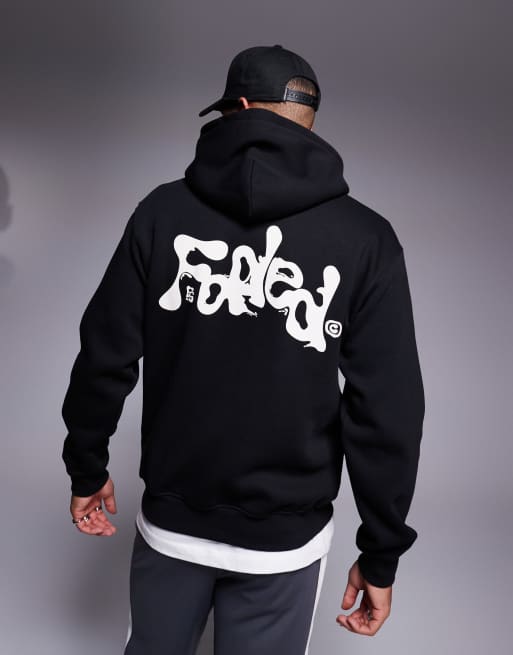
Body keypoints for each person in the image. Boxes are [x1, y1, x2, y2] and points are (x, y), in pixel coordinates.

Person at [61, 44, 425, 653]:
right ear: (307, 120)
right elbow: (388, 409)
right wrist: (380, 552)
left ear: (241, 108)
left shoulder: (161, 212)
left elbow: (105, 355)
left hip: (173, 521)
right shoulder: (366, 238)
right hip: (285, 538)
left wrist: (87, 467)